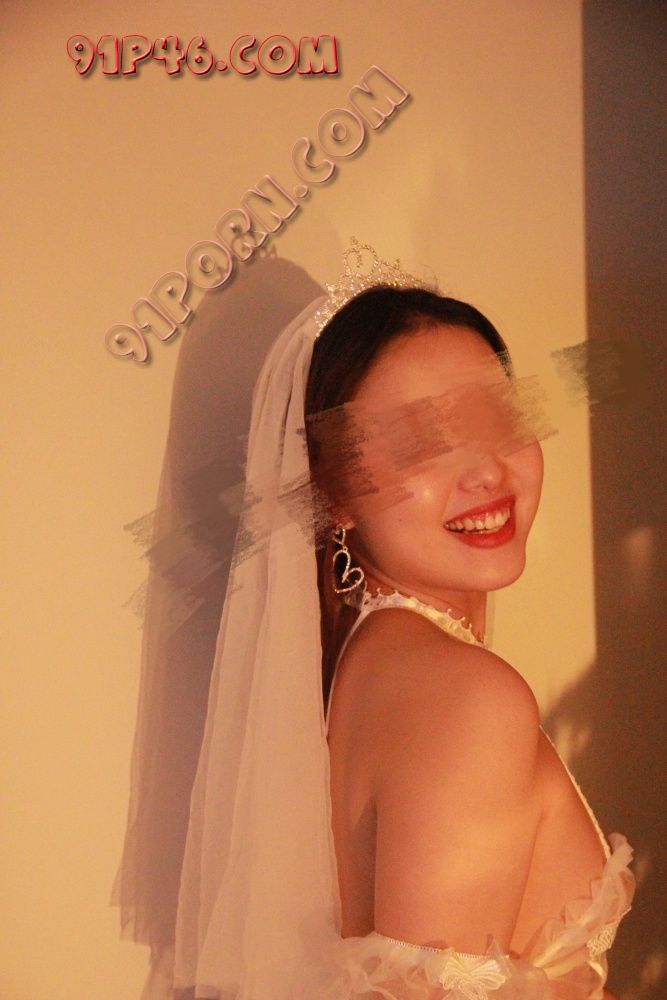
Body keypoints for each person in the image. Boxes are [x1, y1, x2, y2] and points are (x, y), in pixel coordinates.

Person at [123, 241, 635, 999]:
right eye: (420, 445)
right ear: (330, 494)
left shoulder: (369, 669)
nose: (485, 472)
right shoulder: (466, 697)